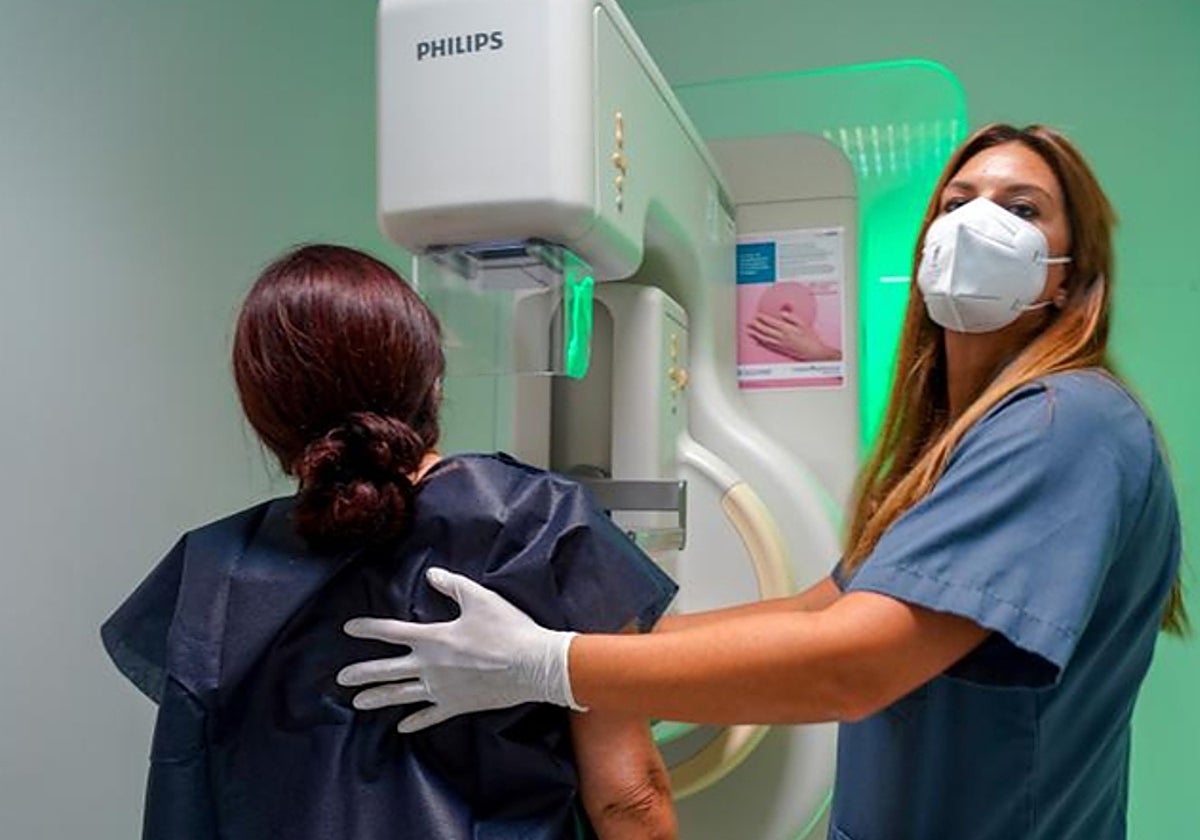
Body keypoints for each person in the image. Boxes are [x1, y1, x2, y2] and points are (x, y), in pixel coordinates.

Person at [336, 124, 1189, 840]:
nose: (976, 224)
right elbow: (821, 608)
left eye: (1022, 208)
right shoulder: (960, 446)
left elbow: (853, 663)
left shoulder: (1064, 421)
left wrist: (551, 665)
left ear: (1067, 274)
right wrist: (613, 635)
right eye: (956, 203)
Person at [101, 244, 680, 840]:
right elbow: (630, 801)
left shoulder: (211, 573)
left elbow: (188, 798)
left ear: (263, 411)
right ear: (432, 381)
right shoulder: (539, 522)